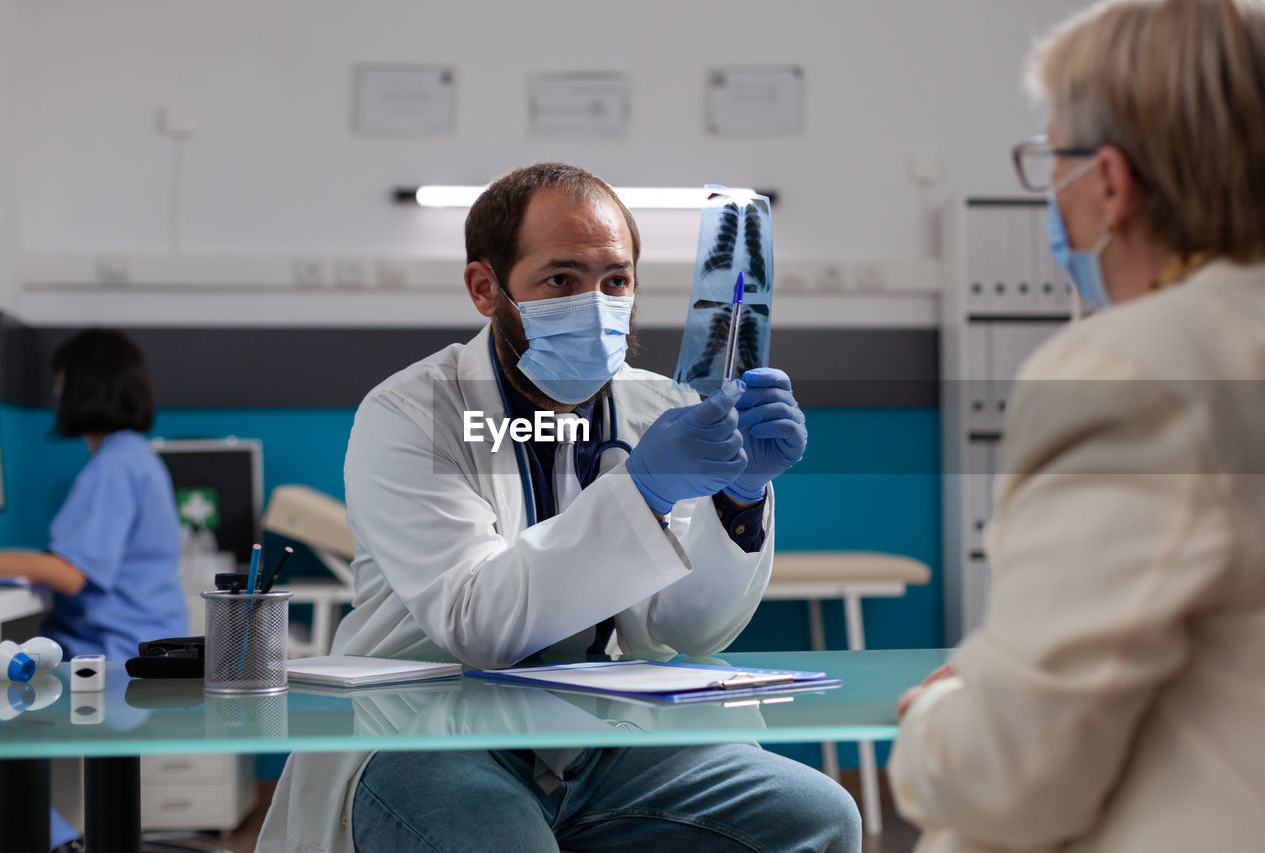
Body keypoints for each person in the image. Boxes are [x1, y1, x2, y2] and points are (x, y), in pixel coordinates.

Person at [258, 163, 861, 852]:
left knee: (817, 816)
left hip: (600, 736)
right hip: (429, 732)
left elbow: (687, 628)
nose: (596, 303)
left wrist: (740, 494)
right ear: (486, 289)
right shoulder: (411, 413)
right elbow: (477, 623)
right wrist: (646, 490)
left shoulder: (656, 406)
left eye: (616, 280)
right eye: (560, 280)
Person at [889, 1, 1265, 851]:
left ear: (1108, 181)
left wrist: (939, 712)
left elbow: (1010, 775)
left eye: (1048, 158)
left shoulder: (1135, 368)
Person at [0, 328, 188, 852]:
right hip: (138, 646)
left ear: (84, 386)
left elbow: (72, 572)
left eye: (61, 382)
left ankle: (56, 844)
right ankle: (63, 839)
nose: (57, 395)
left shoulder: (115, 465)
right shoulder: (135, 456)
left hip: (112, 657)